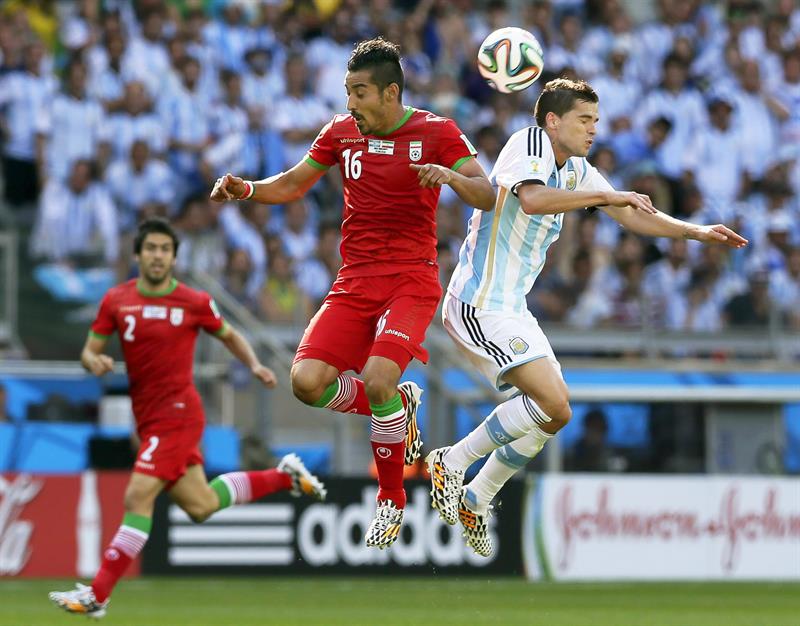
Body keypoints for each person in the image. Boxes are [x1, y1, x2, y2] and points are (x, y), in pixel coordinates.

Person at [426, 78, 747, 557]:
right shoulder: (526, 143)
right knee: (552, 402)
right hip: (477, 302)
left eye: (596, 121)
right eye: (584, 120)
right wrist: (607, 198)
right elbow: (532, 198)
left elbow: (633, 213)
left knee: (554, 416)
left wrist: (696, 232)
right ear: (553, 121)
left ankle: (478, 495)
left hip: (511, 309)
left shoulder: (574, 170)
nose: (593, 129)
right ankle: (451, 462)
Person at [211, 38, 494, 548]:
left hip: (411, 280)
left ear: (390, 92)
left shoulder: (436, 131)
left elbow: (488, 193)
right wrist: (246, 188)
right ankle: (395, 410)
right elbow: (295, 183)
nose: (351, 103)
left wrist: (450, 176)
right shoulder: (341, 133)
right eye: (347, 92)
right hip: (355, 280)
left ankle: (390, 499)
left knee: (378, 377)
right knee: (305, 381)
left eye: (360, 92)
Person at [49, 218, 326, 619]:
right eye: (151, 249)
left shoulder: (193, 301)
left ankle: (98, 594)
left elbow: (229, 333)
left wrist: (253, 365)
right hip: (147, 418)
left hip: (178, 413)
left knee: (137, 496)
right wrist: (95, 361)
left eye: (165, 249)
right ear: (139, 255)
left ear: (174, 258)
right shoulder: (116, 301)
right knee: (201, 504)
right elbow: (89, 351)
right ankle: (285, 475)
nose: (158, 255)